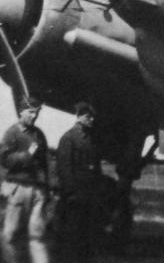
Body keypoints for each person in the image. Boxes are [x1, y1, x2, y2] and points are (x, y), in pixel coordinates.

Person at [0, 96, 50, 263]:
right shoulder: (11, 133)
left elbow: (44, 164)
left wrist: (46, 188)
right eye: (31, 112)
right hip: (18, 188)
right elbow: (4, 160)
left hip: (37, 190)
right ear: (21, 111)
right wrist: (27, 155)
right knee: (11, 234)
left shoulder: (39, 134)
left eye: (36, 113)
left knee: (37, 235)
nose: (34, 116)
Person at [55, 102, 101, 259]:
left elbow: (96, 168)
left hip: (89, 194)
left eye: (93, 117)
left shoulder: (91, 139)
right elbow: (64, 168)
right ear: (79, 117)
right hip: (75, 196)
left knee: (87, 235)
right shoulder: (68, 138)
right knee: (73, 234)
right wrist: (71, 193)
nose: (92, 119)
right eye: (88, 116)